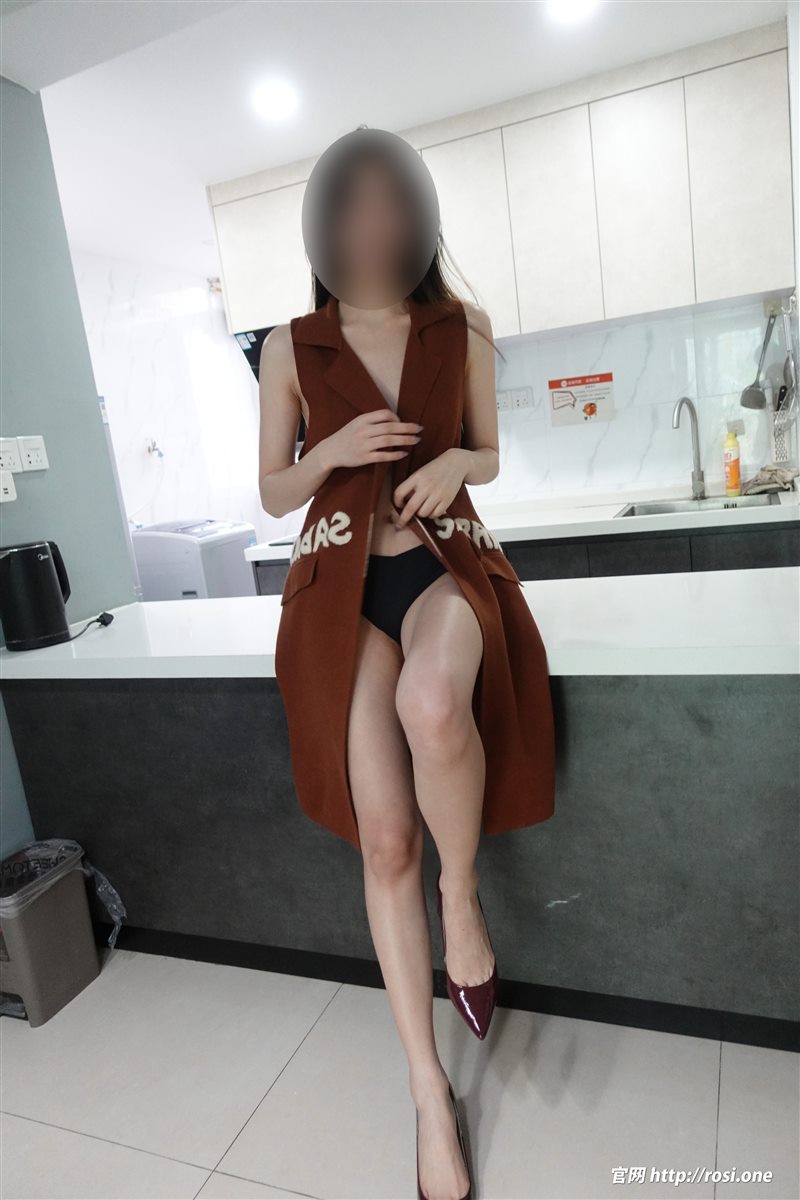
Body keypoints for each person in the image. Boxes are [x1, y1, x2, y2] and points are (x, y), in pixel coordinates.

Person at [259, 129, 555, 1200]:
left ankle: (461, 900)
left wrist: (455, 464)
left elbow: (488, 453)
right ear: (327, 225)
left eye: (392, 205)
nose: (373, 224)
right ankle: (430, 1094)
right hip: (340, 589)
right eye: (355, 208)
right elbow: (273, 491)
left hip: (441, 567)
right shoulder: (292, 347)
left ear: (417, 219)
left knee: (436, 701)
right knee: (384, 840)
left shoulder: (458, 324)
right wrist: (330, 454)